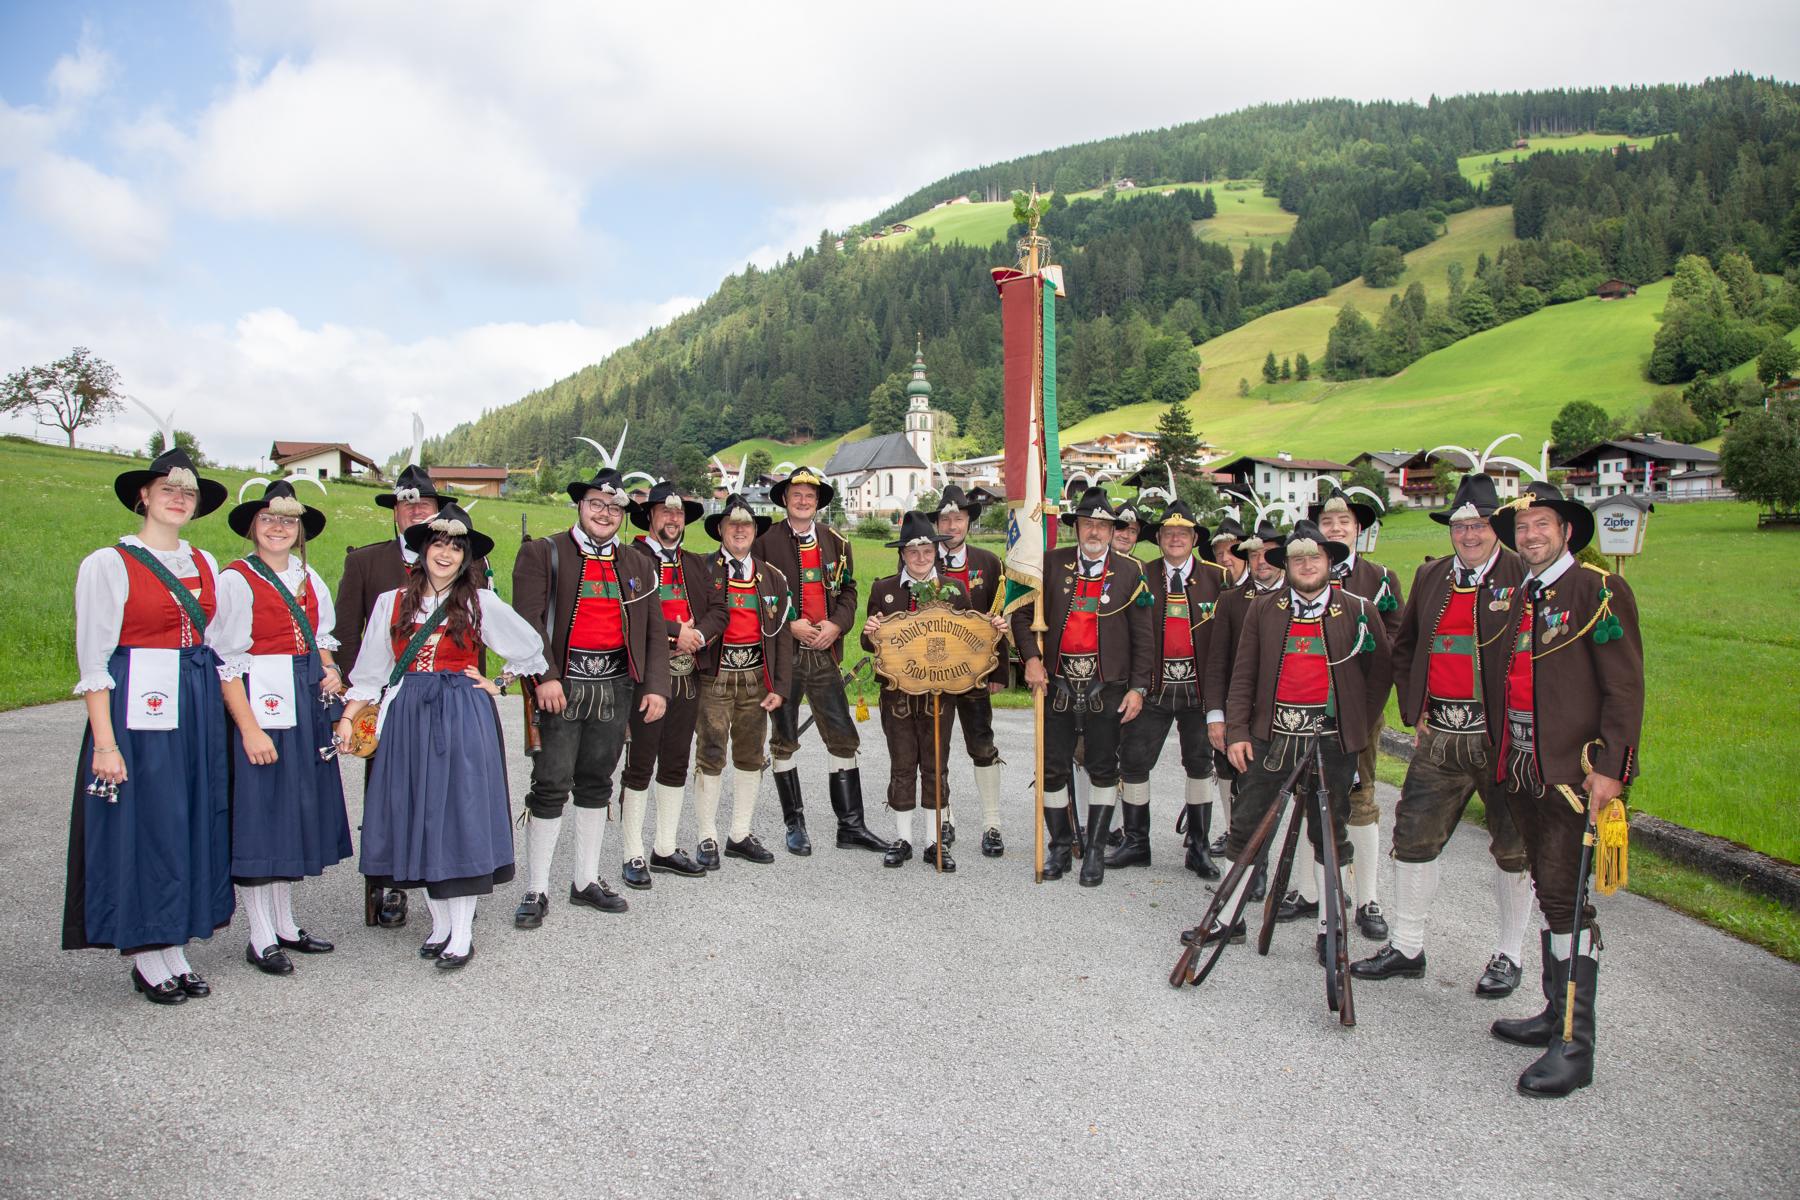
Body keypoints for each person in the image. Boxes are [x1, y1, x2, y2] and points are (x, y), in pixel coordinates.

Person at [1481, 482, 1643, 1098]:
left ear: (1566, 530)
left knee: (1570, 903)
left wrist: (1611, 768)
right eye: (1522, 528)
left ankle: (1576, 1045)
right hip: (1521, 767)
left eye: (1541, 524)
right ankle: (1555, 1013)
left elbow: (1624, 690)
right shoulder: (1522, 593)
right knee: (1552, 894)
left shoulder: (1599, 591)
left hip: (1573, 776)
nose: (1530, 536)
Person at [336, 504, 545, 970]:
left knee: (459, 816)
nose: (446, 553)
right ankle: (439, 924)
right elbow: (371, 671)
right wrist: (350, 717)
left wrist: (500, 681)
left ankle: (463, 931)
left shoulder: (480, 601)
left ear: (465, 555)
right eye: (438, 544)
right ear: (423, 550)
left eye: (455, 546)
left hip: (461, 712)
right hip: (409, 713)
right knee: (420, 814)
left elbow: (531, 646)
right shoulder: (390, 601)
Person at [1352, 474, 1535, 996]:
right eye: (1460, 526)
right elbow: (1405, 645)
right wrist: (1415, 710)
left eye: (1479, 525)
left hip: (1500, 739)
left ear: (1495, 528)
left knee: (1513, 845)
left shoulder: (1523, 573)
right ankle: (1407, 947)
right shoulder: (1432, 576)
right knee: (1413, 836)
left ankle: (1509, 954)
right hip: (1441, 736)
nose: (1469, 535)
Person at [64, 447, 234, 1006]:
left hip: (193, 704)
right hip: (137, 705)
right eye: (169, 489)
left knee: (187, 819)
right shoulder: (109, 564)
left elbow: (219, 645)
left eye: (188, 493)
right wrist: (105, 743)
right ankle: (144, 949)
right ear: (144, 495)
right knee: (147, 823)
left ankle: (174, 940)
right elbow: (93, 661)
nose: (179, 499)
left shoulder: (206, 564)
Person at [1200, 522, 1392, 961]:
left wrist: (1355, 727)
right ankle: (1229, 919)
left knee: (1329, 833)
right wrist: (1238, 732)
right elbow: (1243, 673)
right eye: (1298, 559)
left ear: (1330, 563)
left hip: (1330, 741)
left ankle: (1331, 927)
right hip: (1272, 739)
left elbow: (1380, 674)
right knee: (1247, 826)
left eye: (1316, 558)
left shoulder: (1359, 608)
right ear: (1286, 565)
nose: (1307, 566)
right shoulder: (1264, 609)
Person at [510, 468, 671, 927]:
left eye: (614, 507)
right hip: (562, 684)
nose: (605, 513)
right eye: (597, 504)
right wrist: (545, 676)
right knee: (551, 783)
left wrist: (656, 685)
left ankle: (584, 880)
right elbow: (528, 620)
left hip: (616, 686)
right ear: (580, 506)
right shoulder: (544, 552)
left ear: (623, 515)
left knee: (598, 783)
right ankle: (536, 887)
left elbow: (654, 629)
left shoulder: (638, 564)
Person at [332, 463, 487, 930]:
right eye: (407, 504)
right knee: (395, 798)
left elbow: (490, 632)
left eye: (423, 504)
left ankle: (450, 904)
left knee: (448, 798)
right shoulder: (367, 562)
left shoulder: (470, 570)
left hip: (447, 700)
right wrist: (359, 704)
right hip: (389, 699)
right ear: (397, 512)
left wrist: (489, 680)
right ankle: (392, 885)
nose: (415, 510)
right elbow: (348, 633)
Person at [213, 479, 354, 976]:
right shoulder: (235, 579)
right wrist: (249, 729)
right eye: (269, 519)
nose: (279, 527)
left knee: (291, 812)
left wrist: (331, 670)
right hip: (259, 699)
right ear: (253, 525)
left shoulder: (308, 577)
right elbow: (226, 662)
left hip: (304, 697)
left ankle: (285, 924)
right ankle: (258, 935)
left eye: (288, 521)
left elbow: (321, 642)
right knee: (261, 813)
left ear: (299, 530)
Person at [1011, 486, 1152, 885]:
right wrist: (1032, 659)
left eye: (1102, 526)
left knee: (1104, 768)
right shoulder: (1049, 564)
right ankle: (1059, 847)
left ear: (1112, 531)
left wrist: (1138, 688)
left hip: (1106, 685)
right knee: (1052, 768)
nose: (1095, 532)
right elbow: (1021, 616)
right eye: (1088, 523)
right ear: (1077, 528)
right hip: (1054, 681)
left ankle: (1094, 851)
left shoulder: (1131, 572)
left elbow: (1144, 637)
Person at [862, 512, 1011, 870]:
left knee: (935, 764)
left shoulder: (954, 590)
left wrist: (993, 629)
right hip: (896, 694)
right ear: (902, 554)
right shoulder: (884, 590)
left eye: (926, 549)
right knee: (902, 763)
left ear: (935, 551)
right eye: (912, 550)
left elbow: (968, 638)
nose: (920, 557)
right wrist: (869, 633)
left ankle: (933, 842)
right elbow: (871, 647)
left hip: (939, 694)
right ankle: (902, 838)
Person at [755, 467, 890, 856]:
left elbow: (848, 593)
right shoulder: (765, 543)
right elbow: (756, 593)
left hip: (825, 654)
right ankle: (794, 824)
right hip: (784, 655)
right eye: (795, 494)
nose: (802, 500)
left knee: (843, 736)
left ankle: (850, 825)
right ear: (784, 499)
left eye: (809, 496)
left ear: (818, 502)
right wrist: (788, 624)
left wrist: (837, 624)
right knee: (784, 738)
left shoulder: (837, 542)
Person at [1111, 500, 1230, 879]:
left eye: (1183, 533)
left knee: (1199, 764)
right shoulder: (1140, 574)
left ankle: (1198, 846)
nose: (1175, 539)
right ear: (1158, 538)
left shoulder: (1217, 578)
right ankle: (1136, 842)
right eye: (1168, 533)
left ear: (1194, 539)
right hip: (1153, 688)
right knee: (1133, 761)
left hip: (1200, 691)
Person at [1307, 481, 1403, 940]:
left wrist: (1366, 712)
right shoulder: (1306, 572)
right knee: (1311, 797)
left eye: (1344, 522)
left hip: (1358, 711)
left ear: (1358, 529)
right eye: (1328, 522)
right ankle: (1314, 894)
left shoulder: (1378, 579)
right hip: (1307, 707)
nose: (1336, 528)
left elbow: (1394, 648)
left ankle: (1368, 899)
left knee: (1360, 801)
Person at [616, 481, 714, 888]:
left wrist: (699, 636)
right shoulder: (631, 559)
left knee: (676, 761)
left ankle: (665, 848)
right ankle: (631, 853)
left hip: (687, 676)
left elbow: (720, 608)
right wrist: (677, 631)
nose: (672, 520)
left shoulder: (694, 563)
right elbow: (631, 611)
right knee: (640, 762)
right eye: (665, 513)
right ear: (651, 517)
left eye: (678, 514)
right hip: (647, 676)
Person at [691, 494, 793, 867]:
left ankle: (739, 833)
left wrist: (779, 686)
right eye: (732, 525)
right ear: (720, 529)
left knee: (751, 755)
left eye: (746, 525)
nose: (739, 530)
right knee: (712, 753)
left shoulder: (773, 577)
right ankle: (707, 836)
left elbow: (781, 635)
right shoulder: (702, 571)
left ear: (755, 531)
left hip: (755, 678)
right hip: (715, 677)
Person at [1204, 517, 1286, 893]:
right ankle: (1252, 873)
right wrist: (1217, 716)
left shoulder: (1304, 596)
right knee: (1248, 795)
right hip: (1244, 715)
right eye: (1254, 556)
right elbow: (1217, 663)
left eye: (1269, 554)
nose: (1261, 562)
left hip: (1292, 715)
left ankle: (1307, 885)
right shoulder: (1231, 600)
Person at [928, 485, 1008, 856]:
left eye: (958, 518)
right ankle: (944, 818)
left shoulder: (989, 562)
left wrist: (999, 671)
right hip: (935, 672)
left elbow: (999, 620)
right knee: (936, 747)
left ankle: (991, 824)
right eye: (945, 518)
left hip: (977, 671)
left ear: (968, 523)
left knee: (982, 744)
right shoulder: (921, 558)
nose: (952, 524)